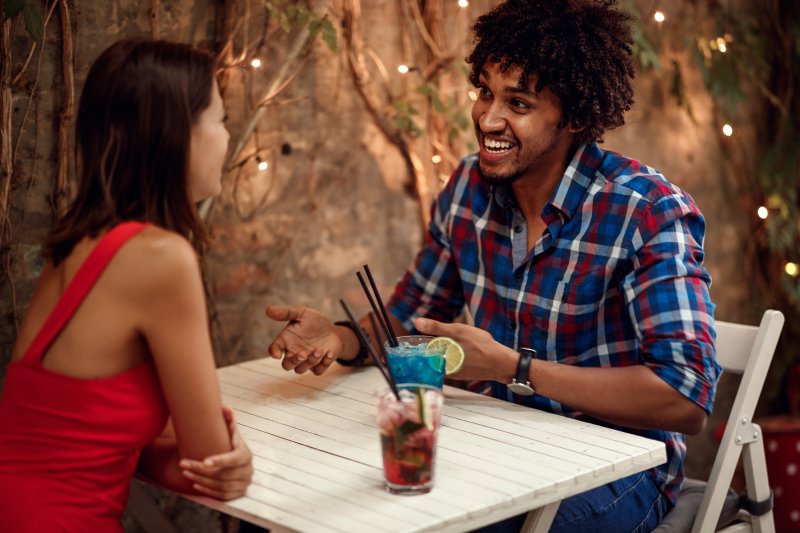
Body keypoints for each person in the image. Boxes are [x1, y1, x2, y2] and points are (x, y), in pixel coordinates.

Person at [265, 0, 721, 531]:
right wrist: (339, 338)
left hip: (616, 468)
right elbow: (408, 320)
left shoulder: (646, 209)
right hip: (497, 444)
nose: (489, 118)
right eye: (484, 91)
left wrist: (513, 367)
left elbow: (685, 397)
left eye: (519, 103)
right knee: (309, 502)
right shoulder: (466, 189)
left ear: (573, 115)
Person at [0, 38, 253, 531]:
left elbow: (100, 444)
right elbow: (211, 457)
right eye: (220, 119)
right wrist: (229, 457)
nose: (226, 136)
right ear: (180, 133)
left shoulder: (77, 243)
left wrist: (198, 464)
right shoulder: (161, 258)